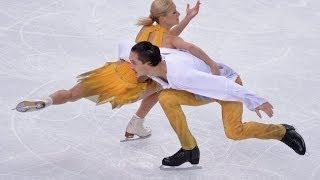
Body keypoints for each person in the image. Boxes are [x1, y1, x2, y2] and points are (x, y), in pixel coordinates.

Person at [127, 41, 306, 166]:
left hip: (227, 86)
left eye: (133, 62)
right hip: (202, 89)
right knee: (166, 97)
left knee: (235, 132)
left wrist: (257, 100)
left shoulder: (182, 75)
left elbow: (223, 85)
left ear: (148, 63)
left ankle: (282, 131)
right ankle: (189, 150)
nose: (130, 64)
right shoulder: (157, 59)